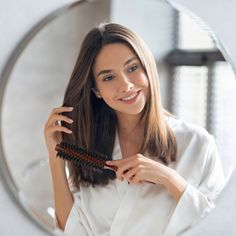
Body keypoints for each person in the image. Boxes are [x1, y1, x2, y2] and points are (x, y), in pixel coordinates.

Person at [43, 23, 225, 236]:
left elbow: (219, 227)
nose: (126, 85)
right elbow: (70, 229)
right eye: (109, 77)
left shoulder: (197, 144)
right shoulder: (89, 149)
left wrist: (170, 179)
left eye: (132, 68)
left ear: (148, 68)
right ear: (97, 90)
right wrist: (56, 160)